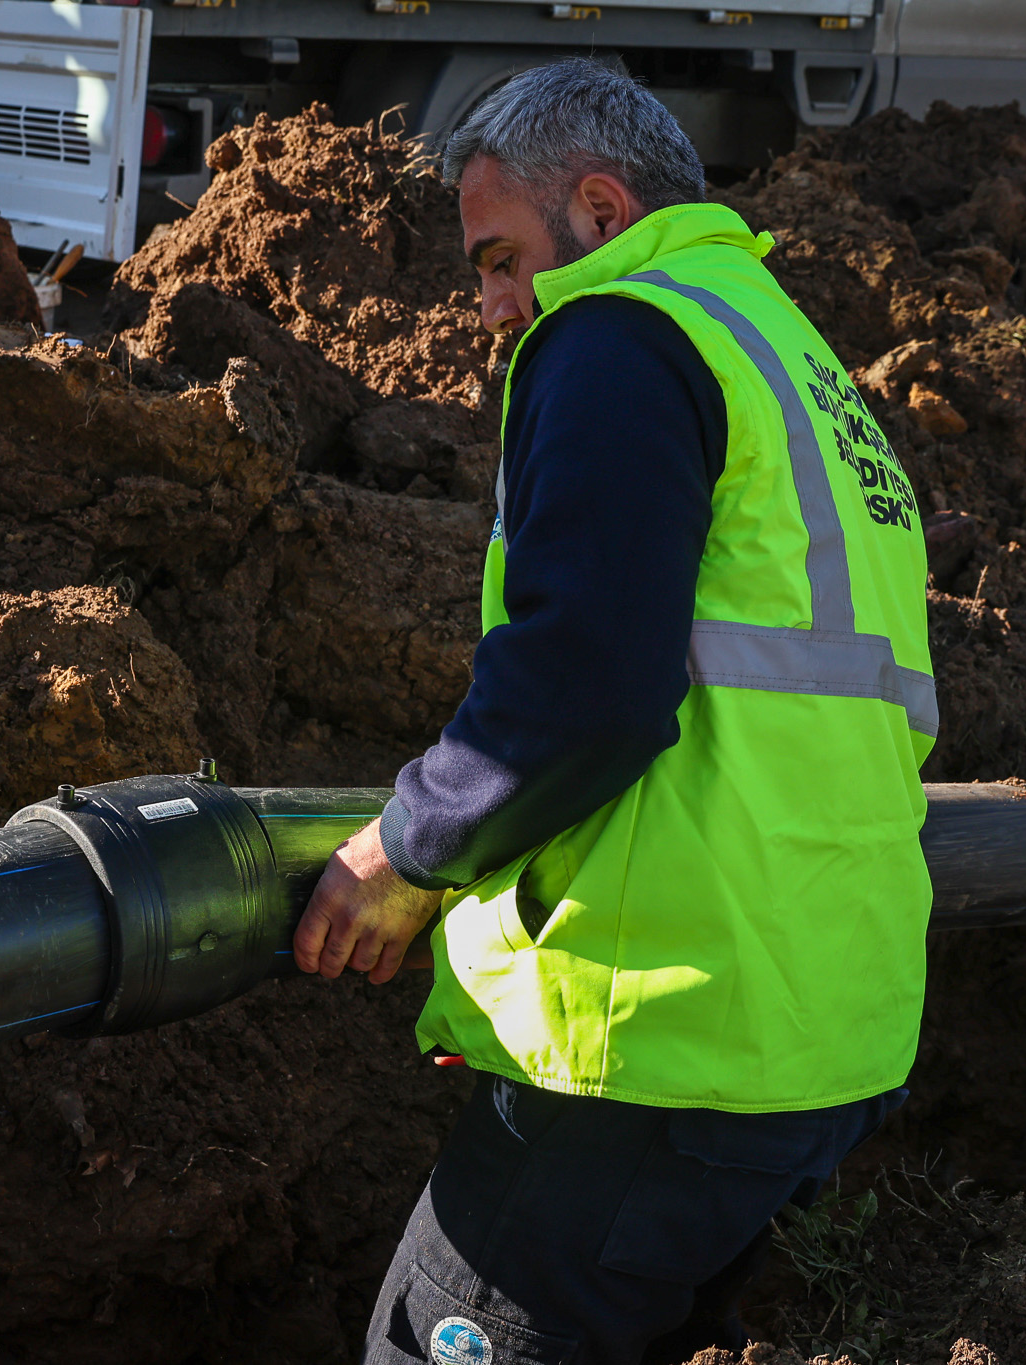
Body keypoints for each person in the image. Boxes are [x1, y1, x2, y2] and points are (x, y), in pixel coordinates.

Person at [293, 57, 936, 1365]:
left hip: (654, 1039)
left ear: (597, 205)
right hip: (818, 1029)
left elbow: (585, 682)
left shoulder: (619, 331)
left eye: (497, 259)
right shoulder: (787, 350)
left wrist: (406, 849)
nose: (488, 308)